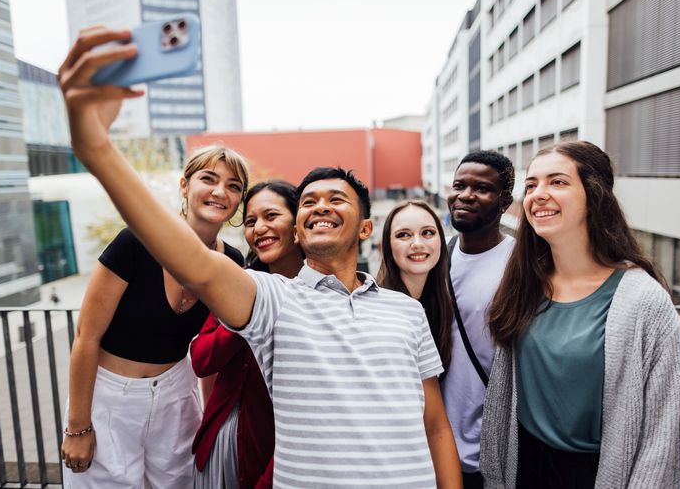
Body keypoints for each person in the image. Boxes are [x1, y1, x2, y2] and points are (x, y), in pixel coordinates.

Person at [58, 27, 462, 488]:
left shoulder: (406, 312)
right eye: (309, 202)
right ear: (299, 229)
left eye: (337, 199)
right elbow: (194, 263)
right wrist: (96, 148)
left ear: (366, 228)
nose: (321, 207)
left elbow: (434, 426)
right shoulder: (272, 298)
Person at [479, 141, 680, 488]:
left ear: (595, 195)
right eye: (531, 185)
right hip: (525, 468)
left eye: (557, 182)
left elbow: (661, 439)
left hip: (597, 476)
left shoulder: (645, 302)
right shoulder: (524, 284)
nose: (538, 194)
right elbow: (502, 404)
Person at [60, 142, 249, 488]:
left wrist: (208, 416)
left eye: (234, 186)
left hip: (177, 395)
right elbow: (86, 337)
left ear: (238, 201)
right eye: (209, 179)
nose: (220, 191)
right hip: (110, 397)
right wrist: (78, 427)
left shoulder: (232, 264)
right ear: (185, 186)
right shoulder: (135, 243)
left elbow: (212, 350)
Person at [191, 180, 303, 489]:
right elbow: (201, 359)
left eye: (271, 216)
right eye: (251, 221)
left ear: (297, 224)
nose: (259, 228)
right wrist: (248, 312)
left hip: (287, 454)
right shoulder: (240, 284)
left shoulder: (319, 292)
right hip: (223, 441)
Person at [442, 151, 516, 488]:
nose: (465, 195)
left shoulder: (523, 262)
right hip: (438, 444)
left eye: (481, 188)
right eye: (459, 185)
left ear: (505, 202)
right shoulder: (435, 257)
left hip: (497, 443)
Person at [376, 199, 453, 368]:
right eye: (404, 235)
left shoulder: (443, 304)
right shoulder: (376, 312)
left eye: (427, 233)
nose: (417, 244)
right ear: (388, 246)